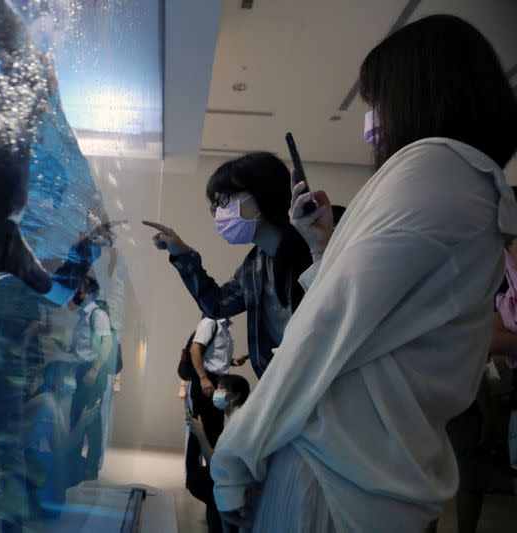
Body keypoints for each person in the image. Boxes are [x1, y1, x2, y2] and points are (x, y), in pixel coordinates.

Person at [200, 14, 517, 532]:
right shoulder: (476, 188)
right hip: (378, 476)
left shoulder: (433, 168)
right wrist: (326, 246)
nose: (371, 121)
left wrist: (235, 456)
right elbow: (385, 322)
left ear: (419, 91)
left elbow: (323, 329)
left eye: (376, 101)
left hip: (333, 474)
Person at [144, 150, 314, 380]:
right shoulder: (253, 266)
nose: (219, 213)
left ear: (263, 190)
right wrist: (183, 255)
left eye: (223, 200)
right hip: (285, 382)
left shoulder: (315, 243)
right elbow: (216, 305)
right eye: (214, 206)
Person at [24, 357, 100, 515]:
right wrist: (84, 422)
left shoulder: (54, 402)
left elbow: (63, 444)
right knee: (71, 467)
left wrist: (84, 421)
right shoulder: (48, 404)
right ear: (55, 379)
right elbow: (60, 449)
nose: (72, 380)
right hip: (26, 463)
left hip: (33, 460)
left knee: (76, 465)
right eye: (68, 375)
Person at [186, 374, 251, 533]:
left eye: (222, 388)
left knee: (197, 480)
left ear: (235, 396)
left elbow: (213, 460)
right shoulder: (237, 418)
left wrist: (200, 433)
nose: (216, 392)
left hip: (236, 483)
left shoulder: (237, 421)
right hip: (233, 479)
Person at [67, 275, 113, 480]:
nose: (77, 290)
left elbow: (107, 344)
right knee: (78, 418)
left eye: (80, 287)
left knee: (91, 421)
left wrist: (94, 370)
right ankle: (76, 464)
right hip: (83, 371)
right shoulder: (84, 315)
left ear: (89, 292)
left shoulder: (97, 314)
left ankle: (90, 467)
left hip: (91, 372)